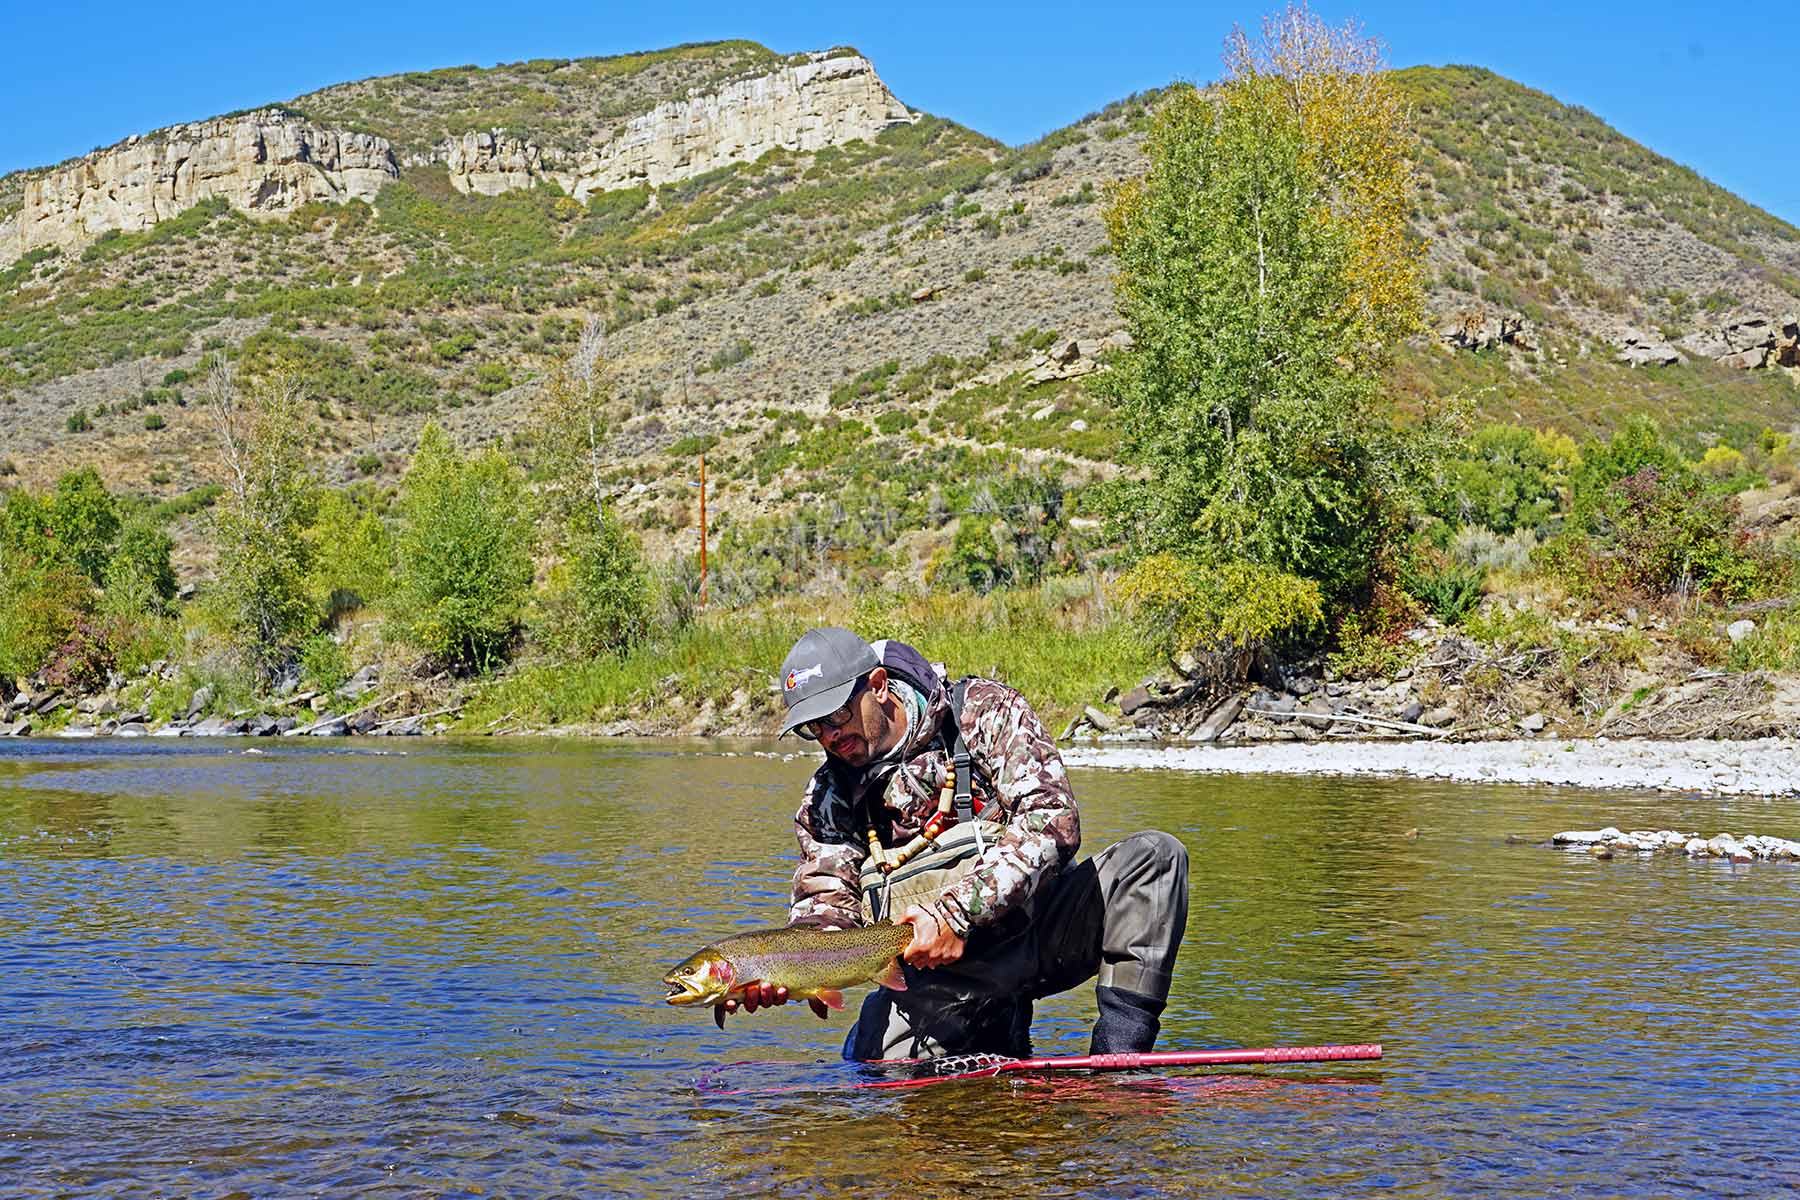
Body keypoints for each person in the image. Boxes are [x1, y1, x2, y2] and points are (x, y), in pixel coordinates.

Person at [721, 625, 1189, 1061]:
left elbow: (1054, 822)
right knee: (870, 1071)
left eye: (838, 715)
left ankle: (1120, 1059)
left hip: (1045, 933)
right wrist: (787, 971)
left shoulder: (981, 712)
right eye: (814, 727)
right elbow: (827, 911)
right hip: (939, 981)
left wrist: (954, 914)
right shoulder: (827, 796)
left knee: (1153, 858)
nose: (830, 735)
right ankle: (989, 1034)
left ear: (879, 685)